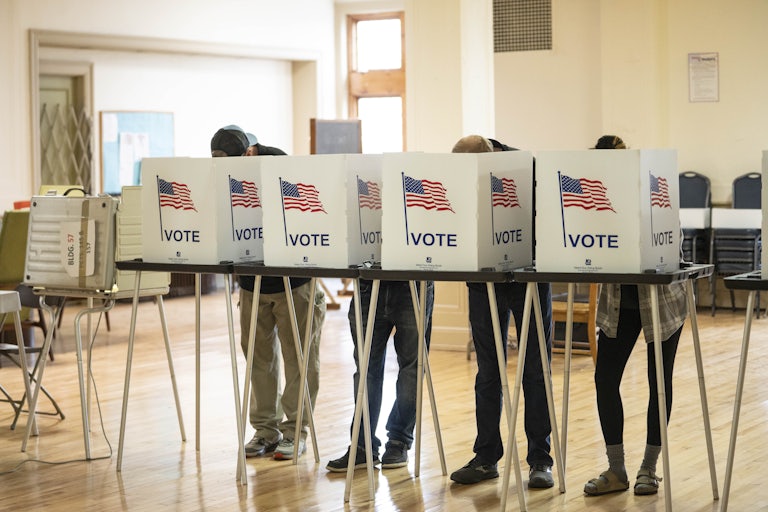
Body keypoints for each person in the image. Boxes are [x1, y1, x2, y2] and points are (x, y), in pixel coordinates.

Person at [210, 125, 326, 460]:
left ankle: (295, 431)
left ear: (249, 152)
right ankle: (265, 430)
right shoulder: (225, 173)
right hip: (251, 282)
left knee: (299, 357)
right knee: (257, 358)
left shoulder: (281, 167)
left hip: (295, 282)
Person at [449, 135, 555, 489]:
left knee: (535, 372)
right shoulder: (465, 166)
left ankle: (541, 460)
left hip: (527, 277)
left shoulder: (523, 166)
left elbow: (548, 221)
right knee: (488, 373)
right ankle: (486, 458)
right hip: (483, 283)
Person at [583, 134, 687, 496]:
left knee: (659, 382)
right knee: (604, 379)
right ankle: (616, 469)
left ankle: (648, 467)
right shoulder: (591, 197)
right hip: (617, 304)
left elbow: (675, 239)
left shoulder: (653, 188)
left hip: (662, 303)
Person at [325, 279, 435, 472]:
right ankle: (361, 445)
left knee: (412, 367)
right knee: (366, 368)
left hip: (413, 283)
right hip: (368, 283)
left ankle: (398, 441)